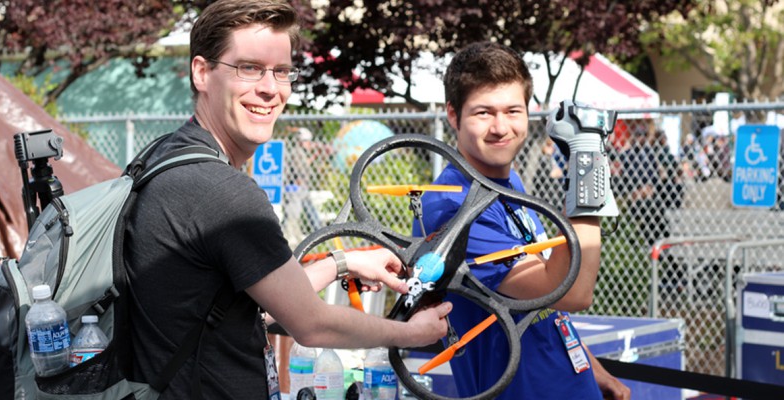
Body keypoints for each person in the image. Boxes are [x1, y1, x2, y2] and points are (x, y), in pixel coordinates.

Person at [124, 1, 451, 398]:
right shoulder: (222, 193)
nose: (269, 88)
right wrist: (410, 333)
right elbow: (311, 324)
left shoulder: (165, 157)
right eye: (248, 68)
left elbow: (252, 302)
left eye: (281, 71)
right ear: (202, 72)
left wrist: (341, 263)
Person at [413, 42, 629, 399]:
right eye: (483, 113)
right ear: (453, 115)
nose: (501, 127)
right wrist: (588, 171)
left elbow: (540, 300)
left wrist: (593, 368)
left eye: (513, 110)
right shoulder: (455, 205)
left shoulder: (505, 182)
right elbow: (572, 292)